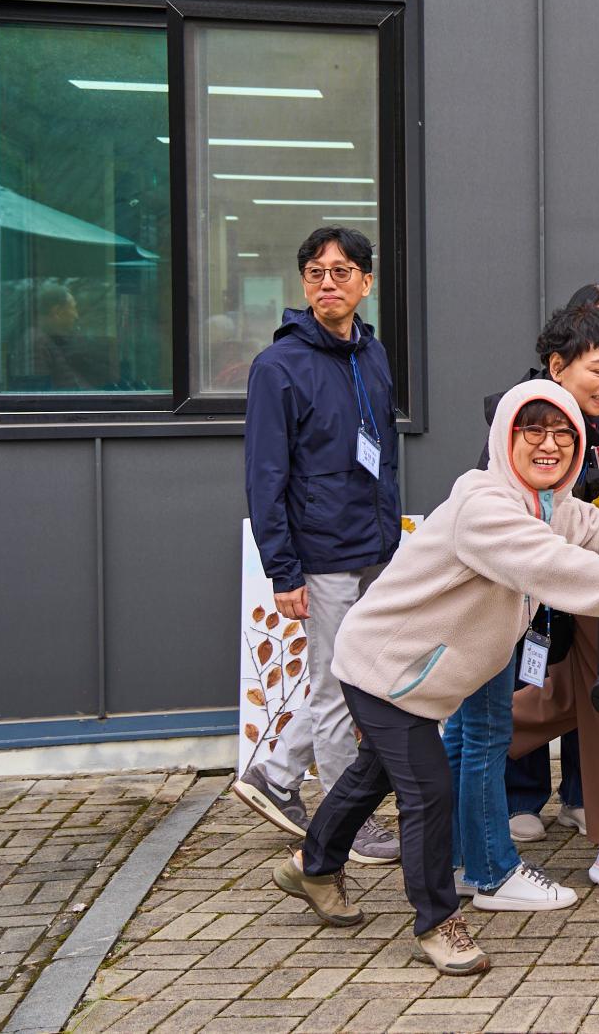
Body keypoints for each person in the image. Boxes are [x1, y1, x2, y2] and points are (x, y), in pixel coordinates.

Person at [269, 381, 599, 975]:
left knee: (372, 774)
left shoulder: (548, 501)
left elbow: (594, 530)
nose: (549, 445)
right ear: (506, 437)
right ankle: (437, 923)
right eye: (533, 430)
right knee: (427, 792)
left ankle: (312, 866)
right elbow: (554, 565)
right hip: (385, 667)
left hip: (420, 676)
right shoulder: (486, 508)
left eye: (563, 434)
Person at [444, 305, 599, 912]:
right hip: (483, 617)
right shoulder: (518, 439)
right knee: (482, 733)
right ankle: (492, 869)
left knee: (470, 735)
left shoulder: (585, 430)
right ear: (558, 367)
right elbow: (553, 558)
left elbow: (587, 525)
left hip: (494, 615)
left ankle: (456, 860)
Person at [234, 227, 401, 865]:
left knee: (360, 676)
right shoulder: (278, 367)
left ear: (366, 282)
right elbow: (264, 477)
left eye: (341, 270)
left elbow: (383, 455)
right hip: (322, 553)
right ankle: (343, 819)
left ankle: (276, 775)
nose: (327, 282)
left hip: (374, 546)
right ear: (303, 284)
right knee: (337, 688)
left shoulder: (372, 354)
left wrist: (392, 539)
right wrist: (284, 570)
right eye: (315, 272)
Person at [487, 288, 599, 845]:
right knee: (530, 677)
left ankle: (583, 798)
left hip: (596, 570)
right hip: (537, 577)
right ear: (561, 363)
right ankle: (518, 798)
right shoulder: (528, 414)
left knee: (589, 685)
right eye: (598, 367)